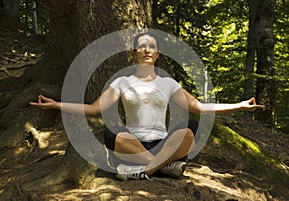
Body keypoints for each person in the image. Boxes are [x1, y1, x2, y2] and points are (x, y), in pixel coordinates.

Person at [29, 32, 265, 181]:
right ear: (135, 53)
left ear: (157, 54)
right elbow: (93, 109)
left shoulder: (168, 83)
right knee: (112, 132)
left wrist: (240, 106)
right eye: (141, 47)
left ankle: (146, 170)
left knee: (189, 127)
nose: (147, 50)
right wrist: (56, 104)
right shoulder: (122, 82)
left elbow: (200, 108)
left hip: (163, 144)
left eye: (151, 46)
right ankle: (162, 167)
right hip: (132, 146)